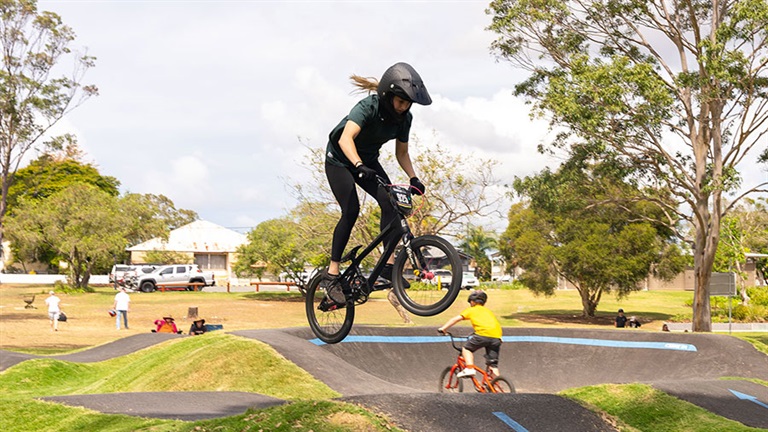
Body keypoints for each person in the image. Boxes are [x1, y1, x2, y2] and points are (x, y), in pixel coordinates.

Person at [321, 62, 431, 303]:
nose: (403, 107)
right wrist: (358, 165)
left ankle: (387, 267)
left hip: (367, 162)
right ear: (388, 95)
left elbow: (402, 153)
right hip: (340, 160)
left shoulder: (405, 119)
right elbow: (345, 139)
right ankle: (332, 274)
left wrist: (414, 178)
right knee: (351, 211)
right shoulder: (367, 107)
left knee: (392, 204)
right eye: (400, 102)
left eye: (407, 103)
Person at [438, 290, 502, 378]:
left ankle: (469, 368)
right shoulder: (488, 311)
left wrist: (443, 329)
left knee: (466, 349)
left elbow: (455, 319)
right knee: (493, 365)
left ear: (472, 301)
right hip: (496, 337)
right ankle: (497, 384)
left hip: (482, 334)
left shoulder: (471, 310)